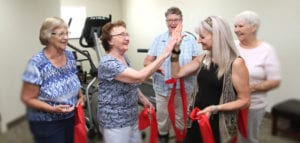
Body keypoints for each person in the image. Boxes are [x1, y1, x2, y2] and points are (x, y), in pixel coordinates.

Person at [171, 16, 250, 143]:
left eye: (202, 37)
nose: (198, 41)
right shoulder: (203, 58)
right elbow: (176, 73)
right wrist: (175, 50)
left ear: (217, 37)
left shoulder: (236, 64)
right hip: (198, 117)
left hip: (219, 123)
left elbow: (245, 101)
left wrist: (215, 108)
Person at [97, 20, 178, 143]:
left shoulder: (124, 58)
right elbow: (139, 77)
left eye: (127, 34)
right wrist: (165, 53)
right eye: (121, 35)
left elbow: (131, 83)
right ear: (110, 40)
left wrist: (143, 99)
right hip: (115, 122)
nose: (127, 38)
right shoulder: (108, 63)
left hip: (131, 116)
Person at [20, 17, 85, 143]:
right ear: (48, 36)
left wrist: (80, 96)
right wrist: (53, 109)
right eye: (61, 34)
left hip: (71, 117)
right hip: (47, 123)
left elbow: (74, 78)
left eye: (67, 33)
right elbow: (27, 98)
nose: (66, 37)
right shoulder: (36, 64)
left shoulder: (70, 55)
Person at [143, 6, 200, 143]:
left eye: (176, 20)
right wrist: (154, 67)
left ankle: (180, 138)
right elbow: (147, 61)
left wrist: (183, 71)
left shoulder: (190, 40)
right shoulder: (159, 39)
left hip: (184, 88)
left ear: (181, 21)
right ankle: (163, 137)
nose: (173, 23)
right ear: (166, 21)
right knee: (163, 117)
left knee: (181, 118)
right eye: (170, 20)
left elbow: (197, 63)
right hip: (162, 88)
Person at [234, 11, 281, 143]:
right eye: (235, 26)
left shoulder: (267, 50)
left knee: (248, 138)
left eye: (240, 26)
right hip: (229, 102)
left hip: (253, 105)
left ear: (254, 27)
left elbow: (274, 81)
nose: (236, 30)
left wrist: (250, 88)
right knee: (228, 136)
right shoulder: (233, 45)